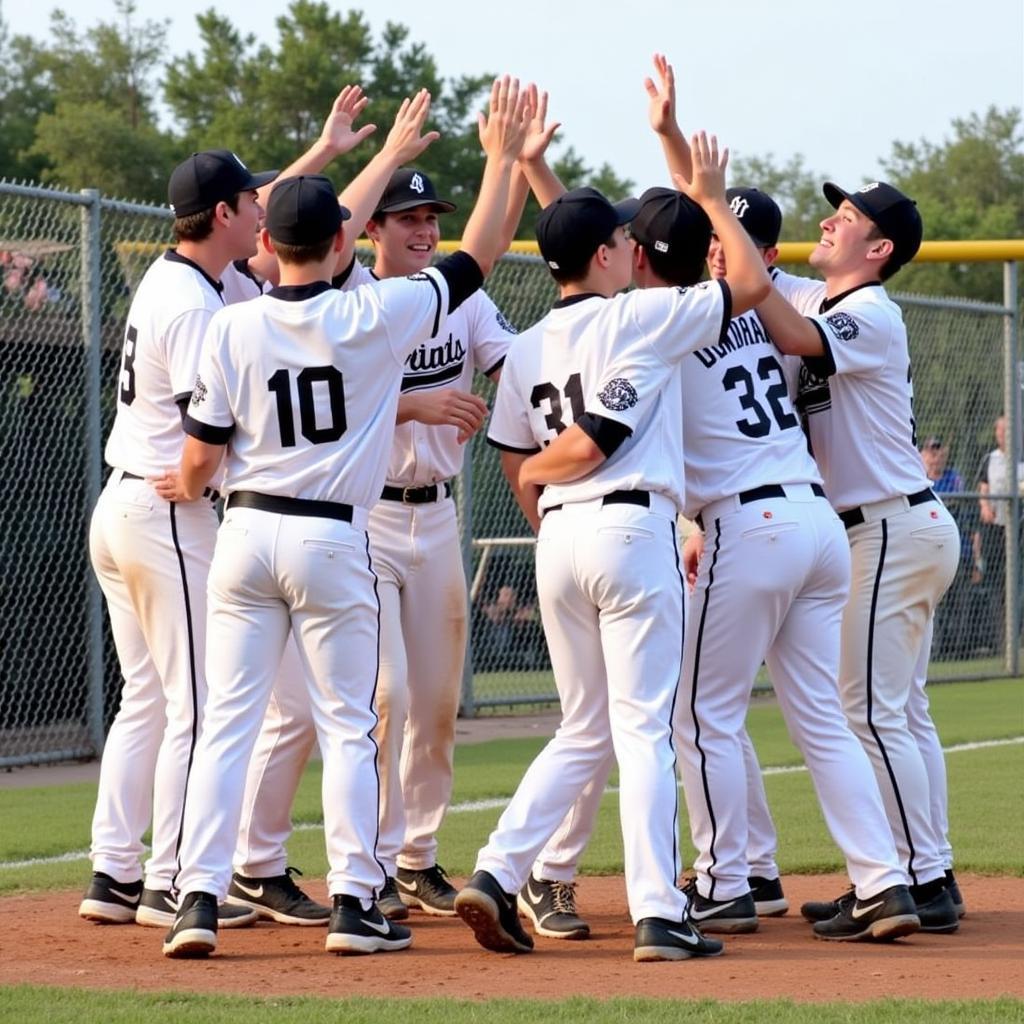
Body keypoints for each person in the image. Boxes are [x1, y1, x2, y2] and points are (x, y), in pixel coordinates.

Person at [161, 78, 529, 960]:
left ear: (272, 243)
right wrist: (501, 162)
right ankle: (356, 901)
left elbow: (202, 455)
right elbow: (477, 255)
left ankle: (196, 901)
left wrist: (185, 480)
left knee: (229, 723)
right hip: (334, 537)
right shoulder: (373, 312)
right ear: (340, 242)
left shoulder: (233, 326)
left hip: (246, 534)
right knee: (350, 725)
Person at [456, 126, 771, 963]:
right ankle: (660, 913)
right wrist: (708, 196)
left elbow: (518, 463)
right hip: (633, 527)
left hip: (556, 538)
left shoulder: (522, 348)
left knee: (583, 728)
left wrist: (551, 515)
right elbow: (748, 281)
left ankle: (495, 870)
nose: (636, 249)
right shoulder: (646, 313)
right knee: (642, 731)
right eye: (625, 242)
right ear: (605, 256)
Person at [78, 87, 379, 933]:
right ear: (221, 213)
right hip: (168, 507)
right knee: (201, 705)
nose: (260, 212)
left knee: (149, 698)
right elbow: (200, 449)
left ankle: (114, 870)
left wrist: (323, 153)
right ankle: (177, 881)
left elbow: (283, 220)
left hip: (126, 505)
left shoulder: (184, 278)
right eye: (248, 200)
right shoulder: (194, 304)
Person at [755, 177, 962, 935]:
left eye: (846, 218)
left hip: (886, 528)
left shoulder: (868, 310)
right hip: (898, 525)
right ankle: (926, 871)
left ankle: (912, 879)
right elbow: (759, 280)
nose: (827, 222)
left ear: (878, 249)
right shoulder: (828, 298)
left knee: (870, 714)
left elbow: (793, 334)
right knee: (900, 712)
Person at [975, 415, 1024, 656]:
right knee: (997, 586)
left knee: (1017, 583)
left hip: (1018, 527)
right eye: (1000, 430)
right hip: (995, 528)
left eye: (1008, 430)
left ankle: (1017, 640)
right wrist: (985, 506)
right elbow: (983, 488)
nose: (1003, 434)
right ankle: (1001, 642)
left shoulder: (1021, 457)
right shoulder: (989, 459)